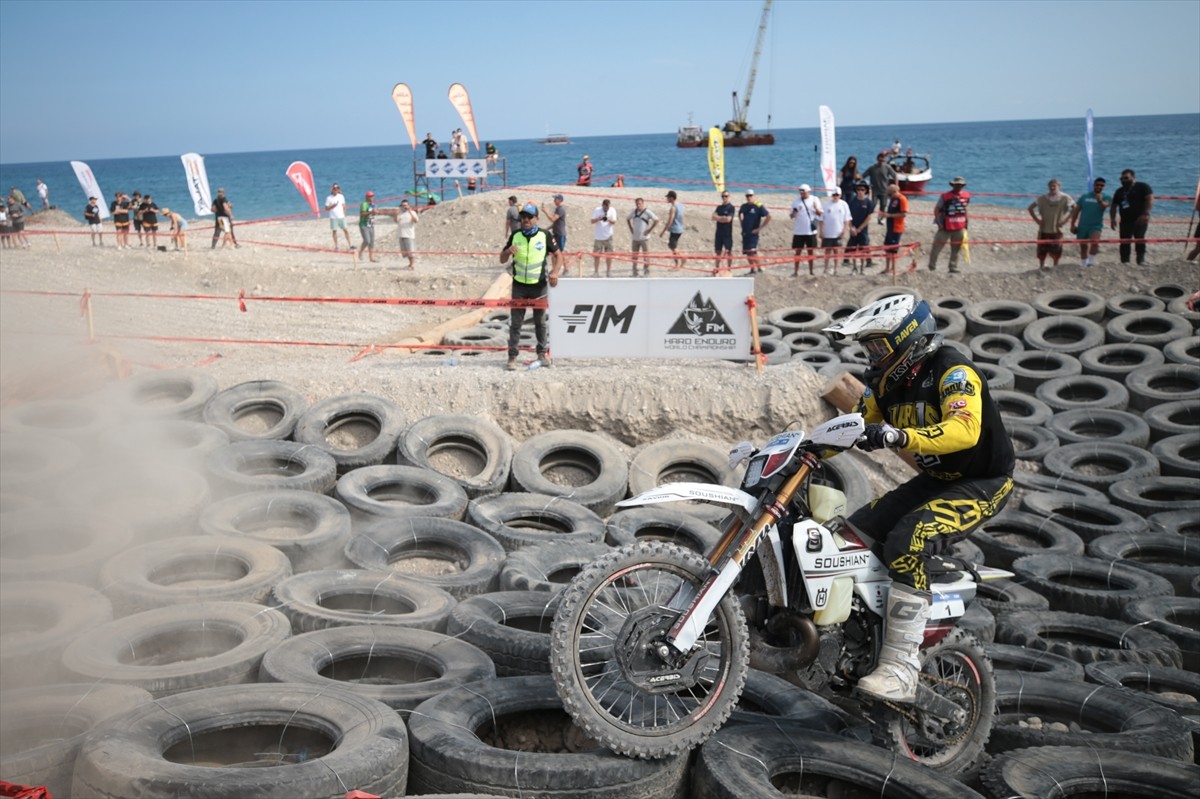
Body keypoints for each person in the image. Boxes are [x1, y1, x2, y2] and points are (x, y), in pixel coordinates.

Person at [822, 294, 1014, 703]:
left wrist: (899, 435)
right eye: (867, 347)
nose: (871, 355)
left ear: (907, 339)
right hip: (936, 479)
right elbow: (854, 426)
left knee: (909, 538)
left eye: (877, 345)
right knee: (847, 536)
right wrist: (804, 450)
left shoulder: (951, 369)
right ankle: (856, 638)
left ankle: (901, 667)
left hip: (982, 482)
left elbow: (965, 431)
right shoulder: (886, 385)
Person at [500, 203, 561, 371]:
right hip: (519, 286)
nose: (525, 220)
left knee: (540, 322)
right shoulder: (515, 235)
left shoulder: (545, 235)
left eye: (529, 217)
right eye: (523, 217)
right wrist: (507, 252)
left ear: (536, 218)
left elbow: (558, 255)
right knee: (516, 323)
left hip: (539, 286)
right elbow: (502, 259)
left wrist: (555, 272)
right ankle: (512, 357)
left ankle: (542, 354)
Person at [1109, 169, 1154, 265]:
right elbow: (1114, 206)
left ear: (1133, 178)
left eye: (1126, 178)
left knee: (1140, 238)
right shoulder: (1120, 191)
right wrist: (1112, 219)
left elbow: (1150, 199)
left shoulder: (1142, 187)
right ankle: (1125, 261)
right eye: (1121, 178)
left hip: (1140, 218)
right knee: (1124, 241)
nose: (1123, 180)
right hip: (1125, 220)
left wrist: (1145, 214)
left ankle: (1140, 260)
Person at [1027, 178, 1074, 269]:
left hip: (1057, 229)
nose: (1052, 188)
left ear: (1059, 187)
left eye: (1054, 186)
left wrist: (1065, 220)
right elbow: (1030, 208)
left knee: (1057, 249)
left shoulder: (1065, 197)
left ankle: (1055, 266)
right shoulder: (1042, 198)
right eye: (1050, 186)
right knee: (1042, 249)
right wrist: (1037, 220)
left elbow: (1075, 208)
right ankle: (1041, 266)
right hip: (1044, 229)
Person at [928, 177, 970, 273]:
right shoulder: (945, 196)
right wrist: (939, 223)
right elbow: (937, 209)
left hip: (959, 226)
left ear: (963, 186)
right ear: (953, 185)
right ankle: (932, 266)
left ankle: (953, 266)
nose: (958, 186)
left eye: (960, 185)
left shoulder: (966, 196)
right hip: (945, 227)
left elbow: (965, 209)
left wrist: (966, 222)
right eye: (957, 185)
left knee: (956, 248)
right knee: (937, 247)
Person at [1068, 177, 1109, 267]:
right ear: (1094, 185)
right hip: (1083, 225)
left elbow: (1105, 206)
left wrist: (1100, 200)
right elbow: (1076, 210)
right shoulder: (1085, 196)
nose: (1099, 187)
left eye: (1101, 185)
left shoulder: (1106, 196)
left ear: (1104, 186)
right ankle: (1084, 263)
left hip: (1096, 225)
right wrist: (1072, 224)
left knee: (1095, 242)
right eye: (1097, 185)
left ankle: (1091, 262)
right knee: (1083, 246)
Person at [789, 184, 822, 276]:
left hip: (810, 231)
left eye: (803, 192)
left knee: (810, 251)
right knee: (797, 252)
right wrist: (795, 212)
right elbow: (791, 216)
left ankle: (811, 271)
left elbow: (820, 214)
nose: (802, 194)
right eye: (800, 192)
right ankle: (795, 271)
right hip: (799, 231)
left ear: (808, 191)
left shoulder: (815, 199)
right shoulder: (796, 201)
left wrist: (815, 208)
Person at [819, 187, 851, 275]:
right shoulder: (825, 205)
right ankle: (826, 268)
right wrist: (821, 231)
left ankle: (836, 269)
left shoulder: (844, 205)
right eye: (834, 195)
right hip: (828, 233)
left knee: (837, 251)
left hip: (838, 232)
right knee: (827, 251)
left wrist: (844, 230)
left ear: (840, 195)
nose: (835, 196)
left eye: (837, 195)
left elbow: (847, 220)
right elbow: (821, 219)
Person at [738, 188, 770, 273]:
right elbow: (740, 213)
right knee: (747, 252)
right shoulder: (744, 206)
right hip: (745, 232)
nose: (749, 197)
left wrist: (760, 228)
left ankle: (760, 268)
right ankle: (752, 269)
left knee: (753, 251)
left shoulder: (758, 205)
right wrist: (742, 223)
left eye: (750, 196)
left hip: (753, 233)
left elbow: (768, 216)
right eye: (747, 196)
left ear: (754, 196)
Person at [846, 182, 875, 273]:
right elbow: (848, 216)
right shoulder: (852, 201)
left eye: (862, 190)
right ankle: (854, 267)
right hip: (853, 229)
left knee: (863, 249)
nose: (860, 191)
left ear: (865, 191)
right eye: (858, 190)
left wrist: (860, 229)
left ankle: (862, 267)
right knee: (853, 249)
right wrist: (851, 227)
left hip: (863, 231)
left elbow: (868, 217)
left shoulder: (869, 202)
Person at [880, 184, 908, 274]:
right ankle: (887, 267)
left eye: (890, 194)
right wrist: (884, 215)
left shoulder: (902, 199)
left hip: (897, 227)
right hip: (890, 227)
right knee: (887, 248)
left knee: (893, 249)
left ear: (895, 192)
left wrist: (890, 215)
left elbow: (904, 214)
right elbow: (890, 211)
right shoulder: (893, 199)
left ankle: (893, 268)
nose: (890, 196)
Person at [627, 197, 659, 277]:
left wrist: (649, 230)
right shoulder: (634, 212)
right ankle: (634, 272)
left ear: (643, 203)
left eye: (639, 204)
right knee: (634, 256)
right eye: (637, 204)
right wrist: (631, 228)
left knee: (646, 256)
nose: (638, 205)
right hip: (635, 238)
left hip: (644, 238)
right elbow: (628, 219)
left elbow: (656, 220)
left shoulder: (647, 212)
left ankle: (646, 272)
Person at [862, 151, 897, 219]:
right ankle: (867, 217)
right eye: (880, 159)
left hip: (884, 190)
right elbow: (863, 175)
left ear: (885, 160)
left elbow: (894, 175)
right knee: (873, 204)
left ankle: (880, 218)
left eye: (883, 159)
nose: (881, 160)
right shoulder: (872, 168)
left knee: (883, 205)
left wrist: (896, 185)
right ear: (877, 159)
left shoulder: (887, 167)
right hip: (874, 190)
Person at [711, 190, 735, 274]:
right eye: (723, 196)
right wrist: (722, 218)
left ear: (729, 197)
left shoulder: (731, 207)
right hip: (719, 232)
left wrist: (719, 218)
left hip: (727, 233)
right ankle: (717, 268)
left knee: (728, 251)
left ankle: (729, 268)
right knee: (718, 251)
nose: (724, 198)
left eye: (726, 196)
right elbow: (713, 217)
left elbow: (728, 219)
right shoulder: (719, 207)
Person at [659, 191, 685, 269]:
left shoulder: (673, 208)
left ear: (672, 198)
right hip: (680, 228)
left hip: (675, 229)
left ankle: (681, 260)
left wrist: (663, 231)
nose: (667, 199)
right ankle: (678, 262)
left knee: (673, 246)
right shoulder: (681, 205)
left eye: (668, 197)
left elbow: (670, 220)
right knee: (673, 245)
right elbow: (682, 217)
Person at [591, 198, 616, 276]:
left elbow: (614, 221)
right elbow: (592, 221)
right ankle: (596, 272)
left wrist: (608, 219)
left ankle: (608, 271)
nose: (606, 209)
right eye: (605, 207)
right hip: (598, 236)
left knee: (609, 255)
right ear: (602, 206)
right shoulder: (597, 210)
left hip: (608, 236)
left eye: (607, 207)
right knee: (597, 255)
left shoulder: (612, 210)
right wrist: (598, 219)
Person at [325, 183, 352, 250]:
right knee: (334, 231)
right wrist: (333, 206)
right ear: (332, 190)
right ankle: (336, 246)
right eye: (334, 189)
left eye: (337, 189)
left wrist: (344, 213)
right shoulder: (329, 198)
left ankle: (350, 245)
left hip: (341, 216)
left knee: (346, 230)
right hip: (333, 217)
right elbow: (326, 208)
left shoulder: (341, 196)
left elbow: (344, 205)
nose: (336, 190)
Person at [395, 199, 418, 269]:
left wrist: (410, 212)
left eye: (405, 205)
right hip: (401, 234)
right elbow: (396, 221)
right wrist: (397, 213)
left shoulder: (413, 212)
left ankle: (413, 264)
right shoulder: (401, 214)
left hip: (409, 235)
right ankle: (410, 264)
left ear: (408, 205)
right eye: (402, 205)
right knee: (406, 252)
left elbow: (416, 220)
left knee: (411, 251)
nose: (404, 207)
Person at [357, 190, 378, 263]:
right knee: (367, 240)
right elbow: (362, 213)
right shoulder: (364, 204)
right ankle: (361, 252)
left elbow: (373, 213)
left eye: (372, 196)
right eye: (370, 196)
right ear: (367, 197)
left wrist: (375, 213)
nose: (372, 198)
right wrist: (371, 212)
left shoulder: (373, 204)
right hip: (364, 224)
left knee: (372, 242)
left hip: (371, 224)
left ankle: (371, 258)